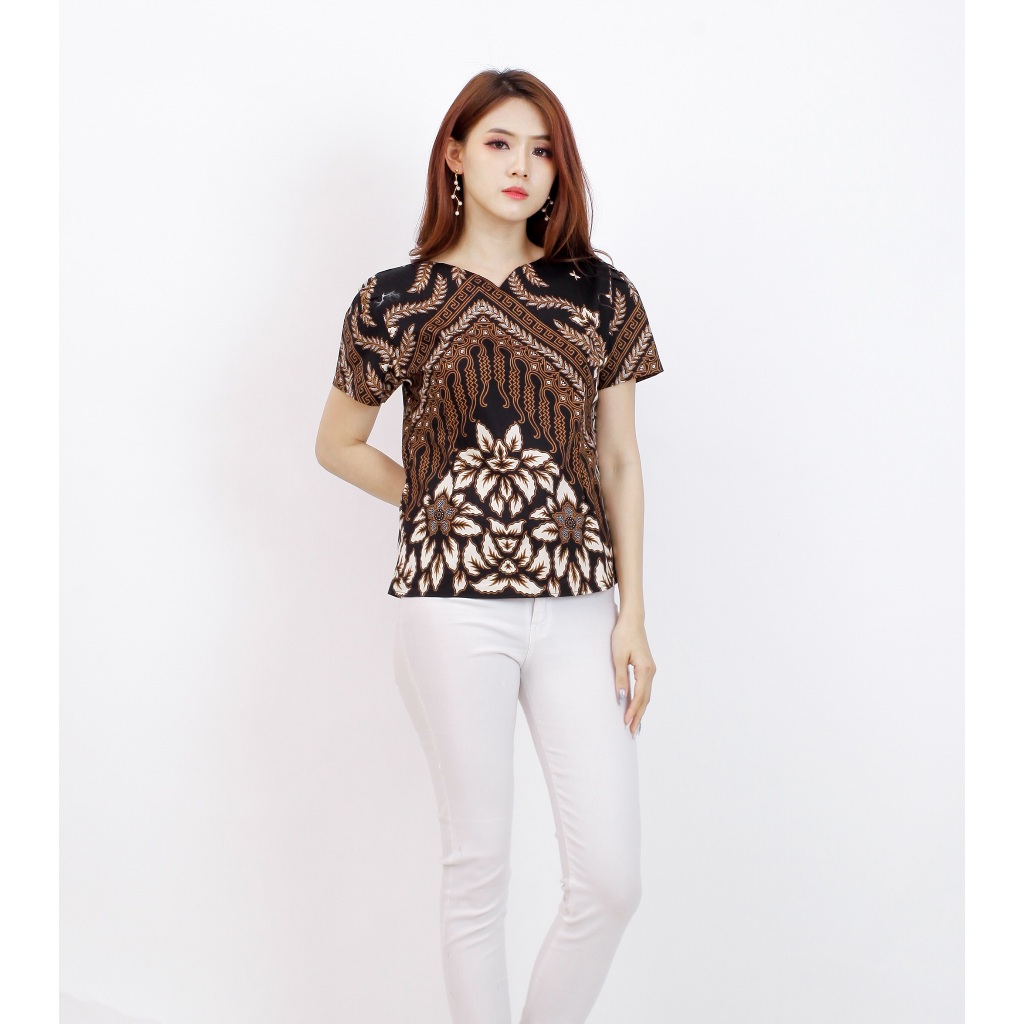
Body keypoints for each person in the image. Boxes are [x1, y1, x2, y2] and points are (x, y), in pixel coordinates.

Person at [315, 68, 664, 1024]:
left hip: (582, 608)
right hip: (450, 609)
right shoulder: (393, 299)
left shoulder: (600, 293)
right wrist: (440, 503)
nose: (523, 166)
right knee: (479, 866)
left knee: (611, 881)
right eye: (501, 143)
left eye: (542, 149)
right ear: (456, 155)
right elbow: (338, 444)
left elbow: (619, 461)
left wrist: (634, 616)